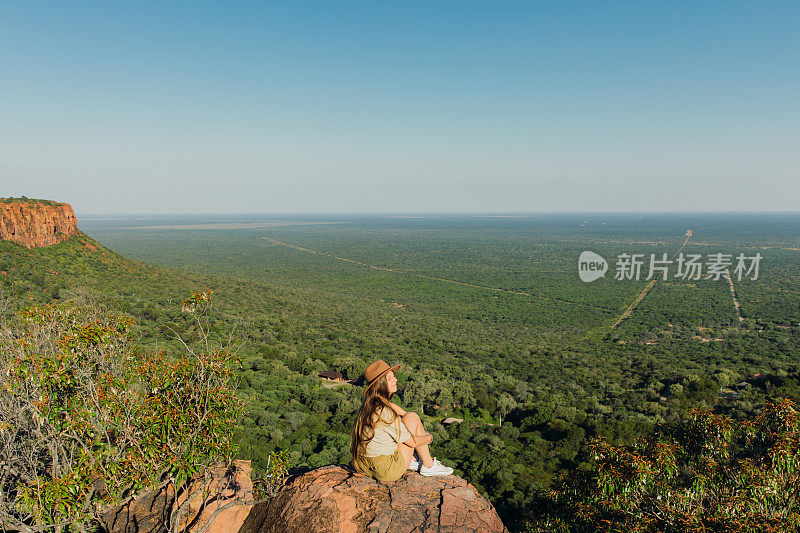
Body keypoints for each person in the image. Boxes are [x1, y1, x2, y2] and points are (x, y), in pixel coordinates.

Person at [350, 359, 453, 482]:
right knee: (413, 417)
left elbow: (396, 410)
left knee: (410, 417)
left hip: (363, 465)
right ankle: (428, 465)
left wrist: (404, 414)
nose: (396, 380)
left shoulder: (368, 407)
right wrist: (428, 438)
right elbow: (412, 443)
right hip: (386, 471)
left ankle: (414, 461)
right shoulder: (385, 412)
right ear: (381, 384)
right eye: (390, 378)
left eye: (394, 377)